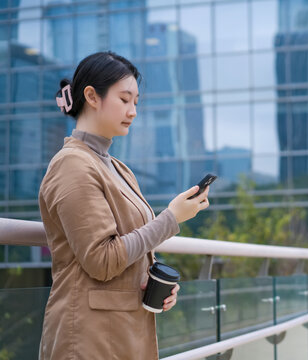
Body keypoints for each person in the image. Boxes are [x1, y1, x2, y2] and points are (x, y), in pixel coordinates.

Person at [38, 51, 210, 360]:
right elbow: (102, 260)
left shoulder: (118, 168)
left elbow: (132, 248)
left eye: (136, 102)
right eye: (124, 99)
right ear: (91, 96)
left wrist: (151, 281)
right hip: (90, 335)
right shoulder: (72, 165)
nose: (132, 111)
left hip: (125, 327)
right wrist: (171, 219)